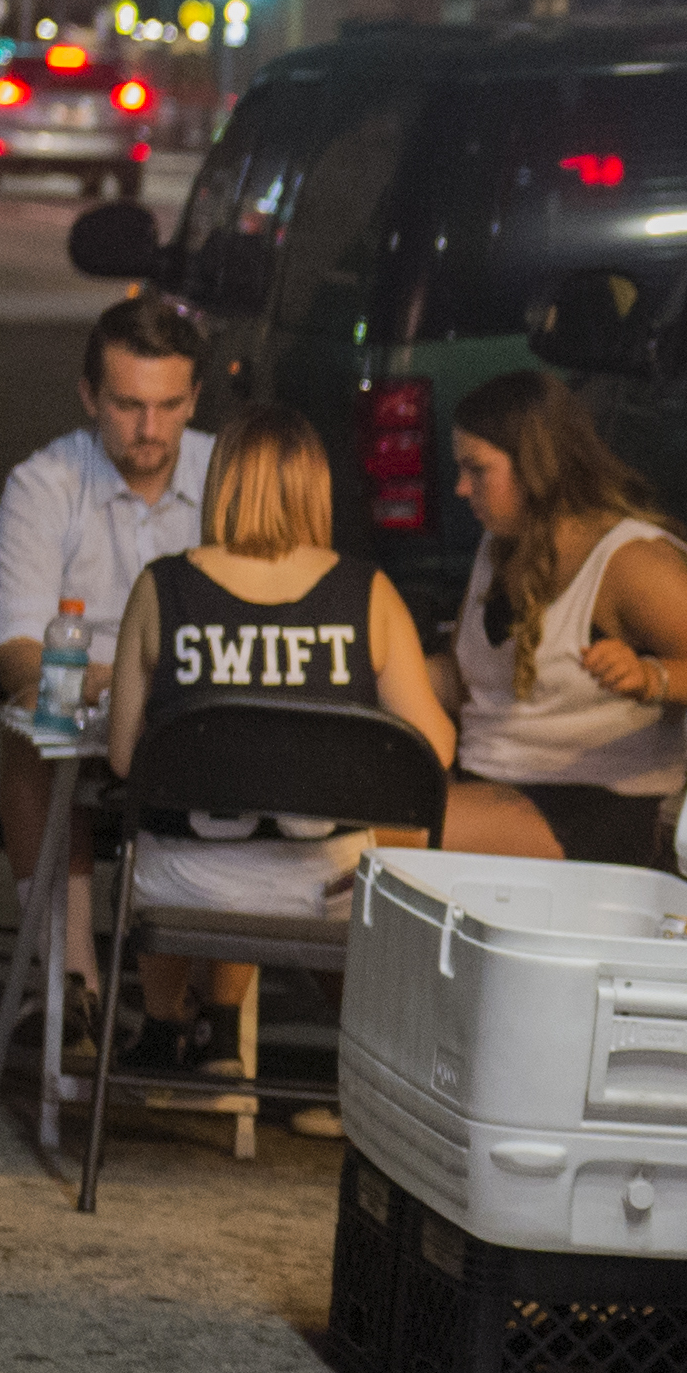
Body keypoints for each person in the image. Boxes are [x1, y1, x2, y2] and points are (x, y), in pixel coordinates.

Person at [104, 405, 453, 1071]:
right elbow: (430, 752)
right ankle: (232, 1035)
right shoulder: (368, 593)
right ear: (316, 488)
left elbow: (124, 757)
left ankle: (162, 1023)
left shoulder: (162, 587)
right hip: (325, 890)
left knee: (162, 831)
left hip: (183, 888)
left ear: (221, 485)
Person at [0, 294, 220, 998]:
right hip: (89, 703)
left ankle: (201, 1011)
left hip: (199, 716)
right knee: (32, 743)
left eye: (169, 406)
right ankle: (75, 994)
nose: (149, 429)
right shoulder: (43, 485)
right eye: (127, 405)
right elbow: (16, 651)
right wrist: (109, 684)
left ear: (194, 399)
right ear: (89, 397)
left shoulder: (227, 476)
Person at [431, 369, 687, 863]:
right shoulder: (497, 546)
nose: (462, 488)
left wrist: (651, 677)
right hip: (494, 785)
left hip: (596, 807)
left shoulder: (632, 561)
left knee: (383, 831)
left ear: (535, 467)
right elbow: (470, 682)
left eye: (477, 469)